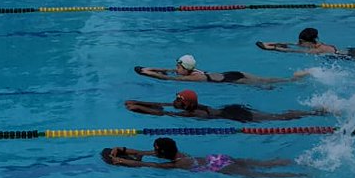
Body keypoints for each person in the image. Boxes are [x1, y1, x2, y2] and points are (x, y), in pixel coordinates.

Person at [105, 137, 307, 178]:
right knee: (261, 164)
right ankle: (293, 162)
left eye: (156, 148)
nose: (153, 150)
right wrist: (121, 147)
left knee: (259, 175)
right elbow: (146, 154)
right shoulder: (177, 153)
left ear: (163, 152)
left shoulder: (178, 163)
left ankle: (293, 175)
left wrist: (120, 161)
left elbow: (148, 163)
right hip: (218, 158)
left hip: (220, 168)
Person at [124, 89, 326, 123]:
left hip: (235, 116)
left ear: (187, 105)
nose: (175, 101)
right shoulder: (192, 106)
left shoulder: (195, 115)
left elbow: (165, 114)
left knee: (276, 118)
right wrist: (137, 101)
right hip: (230, 108)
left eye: (179, 100)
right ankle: (313, 111)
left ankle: (312, 113)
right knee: (274, 115)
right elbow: (163, 105)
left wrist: (138, 110)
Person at [135, 54, 307, 86]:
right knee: (265, 80)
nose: (175, 69)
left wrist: (148, 74)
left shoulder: (195, 78)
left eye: (177, 66)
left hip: (235, 80)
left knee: (265, 83)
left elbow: (170, 78)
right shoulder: (194, 70)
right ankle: (294, 78)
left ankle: (293, 80)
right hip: (234, 73)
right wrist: (146, 68)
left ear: (185, 68)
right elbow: (167, 71)